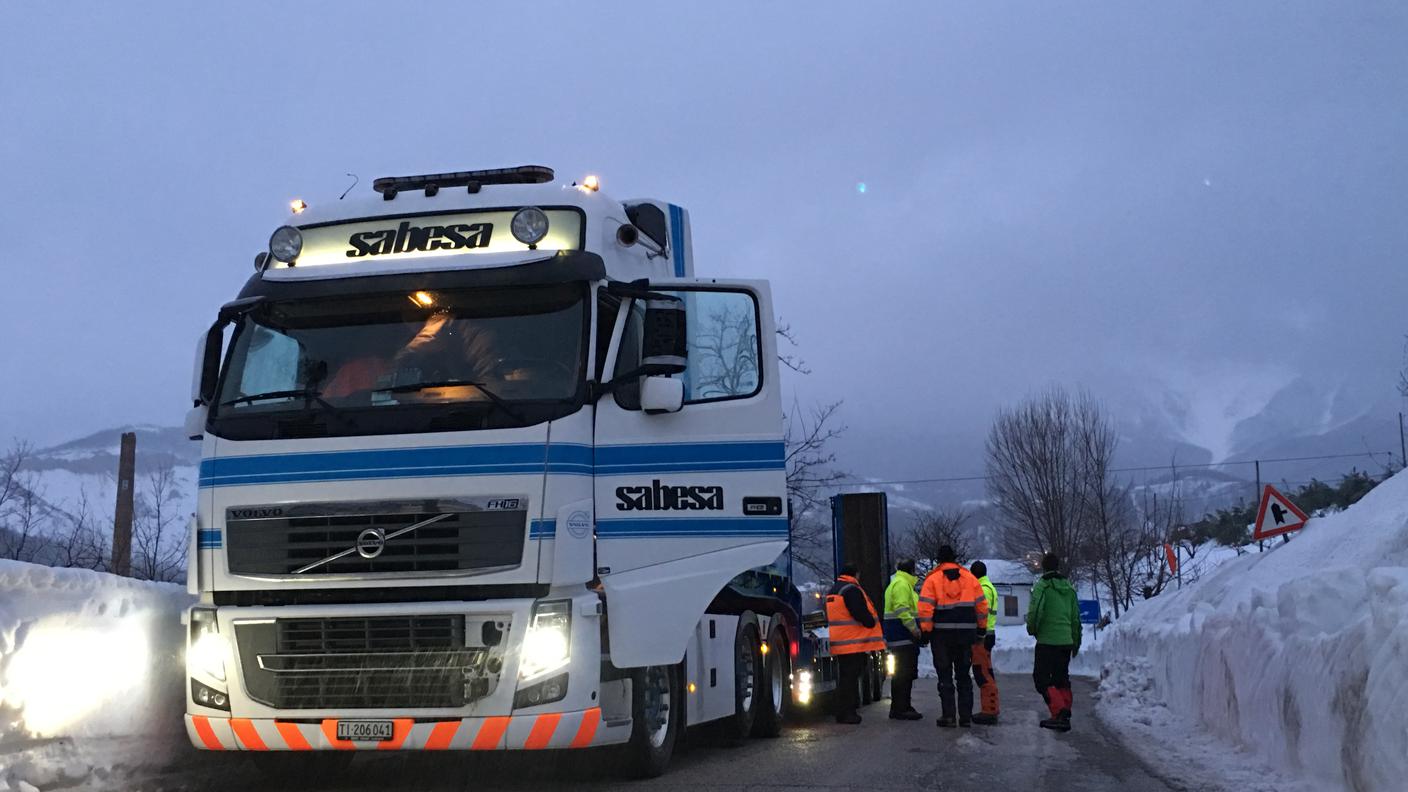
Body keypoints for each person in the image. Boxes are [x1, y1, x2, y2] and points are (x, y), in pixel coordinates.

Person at [917, 545, 989, 728]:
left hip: (941, 636)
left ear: (939, 560)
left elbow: (925, 607)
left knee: (945, 675)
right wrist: (981, 629)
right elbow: (981, 606)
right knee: (964, 675)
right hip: (965, 635)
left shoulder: (932, 580)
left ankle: (948, 716)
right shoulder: (970, 579)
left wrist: (925, 631)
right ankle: (965, 717)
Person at [1026, 553, 1082, 732]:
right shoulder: (1069, 588)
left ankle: (1059, 713)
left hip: (1047, 640)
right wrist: (1076, 641)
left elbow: (1036, 611)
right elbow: (1075, 619)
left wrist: (1032, 629)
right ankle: (1064, 713)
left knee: (1041, 679)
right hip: (1065, 640)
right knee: (1061, 678)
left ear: (1043, 567)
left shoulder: (1042, 586)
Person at [825, 563, 885, 724]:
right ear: (855, 574)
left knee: (845, 679)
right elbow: (858, 612)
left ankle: (842, 711)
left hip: (841, 643)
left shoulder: (835, 590)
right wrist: (871, 622)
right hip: (854, 643)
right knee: (851, 680)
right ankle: (848, 713)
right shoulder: (851, 590)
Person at [882, 558, 923, 720]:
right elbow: (901, 609)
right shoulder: (902, 585)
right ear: (911, 571)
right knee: (903, 673)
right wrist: (914, 629)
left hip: (901, 637)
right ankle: (900, 708)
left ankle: (903, 705)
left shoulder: (901, 583)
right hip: (902, 636)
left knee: (905, 673)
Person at [969, 560, 1000, 725]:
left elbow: (981, 613)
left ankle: (989, 710)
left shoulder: (982, 589)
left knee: (982, 674)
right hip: (988, 634)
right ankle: (989, 708)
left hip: (982, 636)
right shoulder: (989, 586)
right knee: (985, 671)